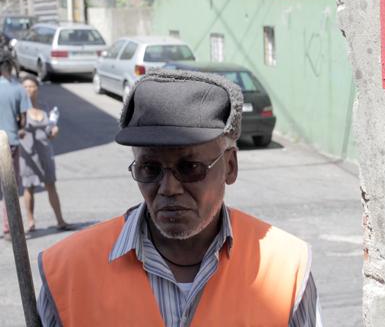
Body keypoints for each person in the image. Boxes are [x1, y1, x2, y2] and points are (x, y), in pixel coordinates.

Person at [37, 70, 322, 326]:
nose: (169, 188)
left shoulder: (286, 267)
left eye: (190, 168)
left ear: (230, 167)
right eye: (150, 168)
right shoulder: (67, 271)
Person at [19, 75, 69, 232]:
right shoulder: (20, 110)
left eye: (31, 86)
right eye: (25, 87)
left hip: (45, 152)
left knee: (51, 185)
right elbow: (16, 130)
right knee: (29, 187)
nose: (28, 90)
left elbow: (50, 131)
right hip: (27, 153)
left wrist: (54, 132)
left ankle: (60, 220)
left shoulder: (44, 107)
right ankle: (30, 221)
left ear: (37, 89)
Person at [0, 50, 30, 241]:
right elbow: (23, 121)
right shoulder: (19, 89)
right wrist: (20, 128)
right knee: (9, 187)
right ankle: (9, 228)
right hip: (9, 143)